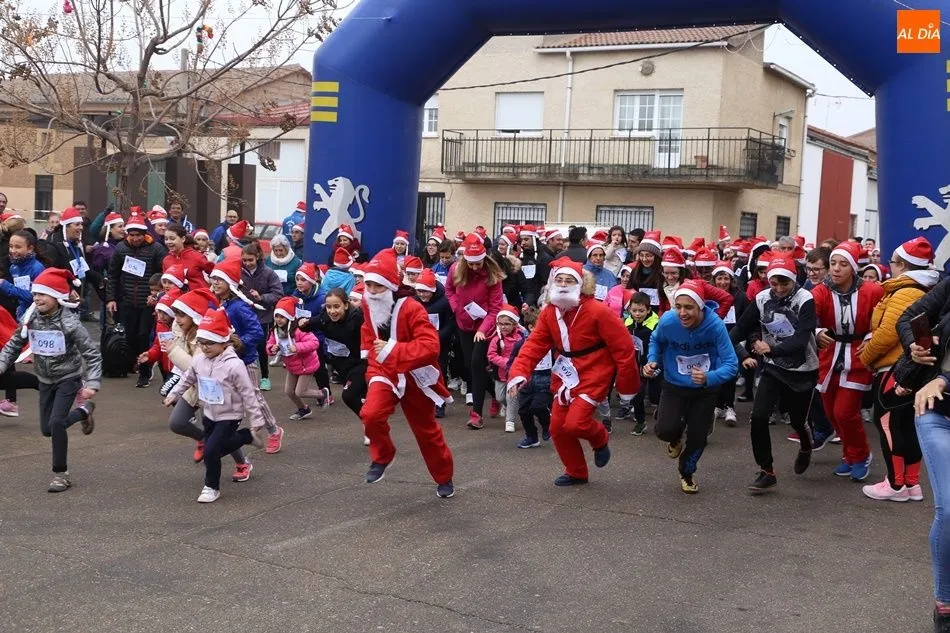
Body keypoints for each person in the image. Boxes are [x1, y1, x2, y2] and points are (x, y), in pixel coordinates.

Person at [507, 258, 638, 487]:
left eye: (570, 280)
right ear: (552, 284)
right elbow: (534, 345)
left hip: (594, 372)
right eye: (560, 280)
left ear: (580, 284)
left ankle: (600, 438)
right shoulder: (548, 313)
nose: (564, 284)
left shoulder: (598, 311)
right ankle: (576, 472)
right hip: (565, 374)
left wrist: (627, 385)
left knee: (576, 424)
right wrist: (518, 373)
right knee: (557, 428)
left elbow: (623, 347)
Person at [358, 249, 456, 498]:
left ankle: (444, 477)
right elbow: (369, 337)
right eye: (368, 284)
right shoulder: (368, 305)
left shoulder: (412, 308)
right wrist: (372, 366)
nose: (371, 290)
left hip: (415, 374)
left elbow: (431, 346)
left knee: (426, 431)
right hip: (384, 371)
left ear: (391, 285)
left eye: (377, 286)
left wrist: (393, 350)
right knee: (370, 414)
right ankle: (383, 455)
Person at [0, 268, 100, 492]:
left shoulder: (70, 324)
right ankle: (84, 412)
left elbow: (91, 354)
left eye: (43, 294)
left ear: (57, 296)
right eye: (35, 294)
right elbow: (13, 344)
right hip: (45, 378)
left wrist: (92, 383)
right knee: (47, 429)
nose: (37, 298)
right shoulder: (30, 320)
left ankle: (60, 474)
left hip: (68, 377)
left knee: (56, 424)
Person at [728, 256, 818, 493]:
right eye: (774, 283)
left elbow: (801, 340)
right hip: (773, 368)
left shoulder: (805, 300)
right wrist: (718, 345)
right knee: (758, 417)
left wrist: (772, 349)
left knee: (798, 420)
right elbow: (742, 327)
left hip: (802, 369)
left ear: (793, 279)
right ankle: (767, 470)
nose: (778, 289)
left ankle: (806, 446)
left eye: (784, 283)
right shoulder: (761, 298)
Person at [860, 237, 938, 501]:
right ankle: (911, 483)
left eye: (892, 262)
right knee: (905, 426)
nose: (889, 266)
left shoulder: (905, 292)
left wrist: (866, 357)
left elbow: (887, 334)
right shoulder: (922, 290)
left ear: (902, 265)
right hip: (909, 369)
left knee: (889, 424)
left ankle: (895, 484)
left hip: (896, 369)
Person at [643, 280, 738, 494]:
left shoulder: (715, 326)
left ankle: (686, 472)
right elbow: (656, 340)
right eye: (679, 307)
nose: (683, 313)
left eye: (689, 308)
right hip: (675, 385)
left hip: (704, 389)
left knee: (697, 438)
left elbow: (732, 365)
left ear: (700, 307)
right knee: (664, 431)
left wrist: (709, 377)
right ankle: (675, 436)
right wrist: (651, 360)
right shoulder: (668, 321)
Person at [164, 308, 266, 503]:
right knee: (215, 450)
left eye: (210, 343)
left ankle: (211, 487)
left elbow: (248, 393)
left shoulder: (234, 365)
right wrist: (174, 394)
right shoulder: (199, 360)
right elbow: (188, 378)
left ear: (223, 342)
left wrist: (257, 418)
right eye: (202, 343)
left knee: (210, 451)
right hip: (209, 411)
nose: (205, 347)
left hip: (230, 415)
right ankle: (245, 437)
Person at [811, 241, 884, 481]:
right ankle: (849, 455)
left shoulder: (872, 291)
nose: (836, 269)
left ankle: (861, 455)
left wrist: (873, 337)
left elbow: (883, 320)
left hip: (858, 355)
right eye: (833, 263)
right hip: (829, 356)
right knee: (831, 412)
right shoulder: (821, 291)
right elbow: (810, 316)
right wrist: (817, 330)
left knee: (845, 412)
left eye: (843, 264)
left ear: (853, 267)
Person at [164, 287, 250, 478]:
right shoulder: (179, 330)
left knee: (222, 433)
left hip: (212, 390)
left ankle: (243, 463)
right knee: (176, 423)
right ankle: (204, 439)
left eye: (182, 315)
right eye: (176, 314)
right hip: (192, 388)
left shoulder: (206, 339)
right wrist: (173, 390)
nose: (177, 319)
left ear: (194, 316)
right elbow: (185, 371)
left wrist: (172, 352)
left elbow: (195, 368)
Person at [209, 257, 285, 453]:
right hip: (225, 361)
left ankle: (274, 431)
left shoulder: (240, 307)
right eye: (214, 278)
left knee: (255, 397)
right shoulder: (220, 305)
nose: (215, 282)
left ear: (231, 284)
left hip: (245, 360)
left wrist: (239, 342)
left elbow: (257, 333)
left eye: (220, 279)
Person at [445, 233, 504, 429]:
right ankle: (495, 395)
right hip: (463, 324)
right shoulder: (455, 269)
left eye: (478, 263)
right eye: (471, 264)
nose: (475, 267)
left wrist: (484, 328)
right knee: (471, 366)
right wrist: (456, 308)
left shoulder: (493, 276)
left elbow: (495, 308)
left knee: (478, 362)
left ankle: (476, 413)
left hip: (484, 326)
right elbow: (449, 291)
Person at [106, 211, 167, 388]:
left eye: (138, 235)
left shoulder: (156, 249)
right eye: (131, 235)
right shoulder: (120, 249)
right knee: (129, 336)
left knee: (143, 336)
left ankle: (145, 371)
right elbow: (113, 275)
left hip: (148, 302)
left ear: (144, 234)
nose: (134, 239)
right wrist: (111, 298)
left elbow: (163, 274)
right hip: (127, 301)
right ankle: (133, 364)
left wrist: (156, 294)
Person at [269, 297, 324, 420]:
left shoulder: (299, 330)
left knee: (300, 391)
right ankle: (303, 409)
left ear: (289, 316)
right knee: (289, 391)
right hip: (292, 366)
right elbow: (270, 343)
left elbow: (314, 342)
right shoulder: (276, 331)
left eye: (282, 317)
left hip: (306, 364)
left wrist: (298, 347)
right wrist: (272, 348)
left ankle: (322, 394)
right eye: (277, 316)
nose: (279, 320)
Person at [239, 242, 283, 391]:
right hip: (243, 314)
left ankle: (264, 377)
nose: (247, 263)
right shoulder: (239, 272)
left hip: (263, 316)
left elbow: (278, 294)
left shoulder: (269, 273)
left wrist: (261, 297)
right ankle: (244, 377)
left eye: (250, 260)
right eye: (244, 260)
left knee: (260, 347)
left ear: (257, 257)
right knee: (242, 345)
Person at [508, 306, 552, 448]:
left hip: (545, 383)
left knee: (538, 407)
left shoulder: (552, 343)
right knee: (524, 412)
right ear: (531, 327)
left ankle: (547, 425)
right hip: (526, 384)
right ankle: (531, 437)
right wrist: (513, 379)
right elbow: (513, 362)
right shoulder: (521, 344)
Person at [414, 268, 455, 418]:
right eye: (420, 291)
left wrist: (438, 337)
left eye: (426, 292)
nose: (422, 295)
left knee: (439, 372)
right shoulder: (415, 301)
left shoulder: (445, 302)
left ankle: (440, 404)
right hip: (421, 344)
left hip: (440, 344)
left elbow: (451, 323)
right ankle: (425, 401)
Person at [622, 291, 660, 436]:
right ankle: (640, 422)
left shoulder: (656, 324)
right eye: (634, 310)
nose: (637, 314)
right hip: (637, 365)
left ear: (649, 310)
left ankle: (662, 411)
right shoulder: (628, 322)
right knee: (637, 395)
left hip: (654, 363)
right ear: (629, 309)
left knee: (656, 396)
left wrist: (656, 364)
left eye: (641, 311)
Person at [486, 304, 527, 433]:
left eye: (507, 324)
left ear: (514, 324)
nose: (503, 327)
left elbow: (525, 354)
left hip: (515, 374)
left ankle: (510, 421)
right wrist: (506, 363)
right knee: (500, 397)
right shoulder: (497, 339)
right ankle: (507, 406)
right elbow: (491, 355)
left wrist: (516, 365)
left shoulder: (521, 339)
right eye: (500, 324)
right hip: (500, 373)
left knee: (511, 397)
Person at [163, 224, 212, 290]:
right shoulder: (166, 260)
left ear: (183, 239)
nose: (168, 242)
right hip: (176, 299)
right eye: (166, 239)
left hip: (198, 297)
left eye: (172, 239)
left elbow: (214, 272)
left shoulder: (196, 256)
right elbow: (166, 283)